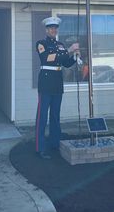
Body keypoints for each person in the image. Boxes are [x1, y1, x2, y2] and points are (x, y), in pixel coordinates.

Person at [35, 16, 80, 159]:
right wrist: (69, 50)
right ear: (46, 30)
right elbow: (48, 58)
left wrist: (74, 56)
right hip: (46, 83)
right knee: (42, 117)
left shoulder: (60, 45)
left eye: (55, 28)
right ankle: (40, 147)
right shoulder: (41, 43)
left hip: (57, 83)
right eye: (51, 28)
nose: (53, 30)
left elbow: (65, 63)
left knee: (55, 116)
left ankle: (54, 144)